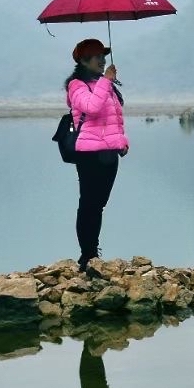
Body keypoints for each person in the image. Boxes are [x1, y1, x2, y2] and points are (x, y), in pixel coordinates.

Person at [66, 39, 129, 275]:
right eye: (97, 57)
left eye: (104, 57)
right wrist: (106, 82)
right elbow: (91, 107)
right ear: (83, 60)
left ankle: (93, 252)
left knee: (99, 205)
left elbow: (114, 118)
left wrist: (122, 141)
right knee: (88, 204)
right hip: (89, 154)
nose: (103, 61)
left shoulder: (105, 85)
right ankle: (87, 255)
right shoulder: (76, 85)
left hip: (109, 154)